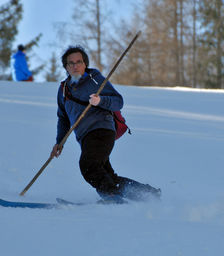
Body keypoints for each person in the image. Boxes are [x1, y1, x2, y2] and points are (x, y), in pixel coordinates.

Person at [50, 45, 161, 203]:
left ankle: (111, 197)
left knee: (88, 166)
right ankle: (148, 194)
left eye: (79, 62)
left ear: (85, 64)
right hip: (85, 137)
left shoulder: (95, 80)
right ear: (66, 67)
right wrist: (59, 142)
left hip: (101, 130)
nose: (75, 66)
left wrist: (100, 100)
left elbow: (118, 102)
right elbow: (63, 118)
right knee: (106, 174)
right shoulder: (63, 90)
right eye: (70, 63)